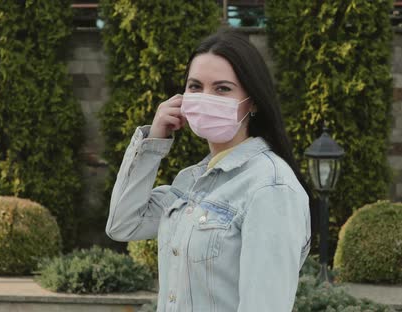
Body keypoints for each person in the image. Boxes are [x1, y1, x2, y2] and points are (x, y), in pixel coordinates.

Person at [106, 30, 312, 312]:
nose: (206, 98)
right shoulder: (191, 182)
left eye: (222, 88)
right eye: (195, 86)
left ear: (252, 100)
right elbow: (123, 223)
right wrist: (153, 142)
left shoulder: (270, 187)